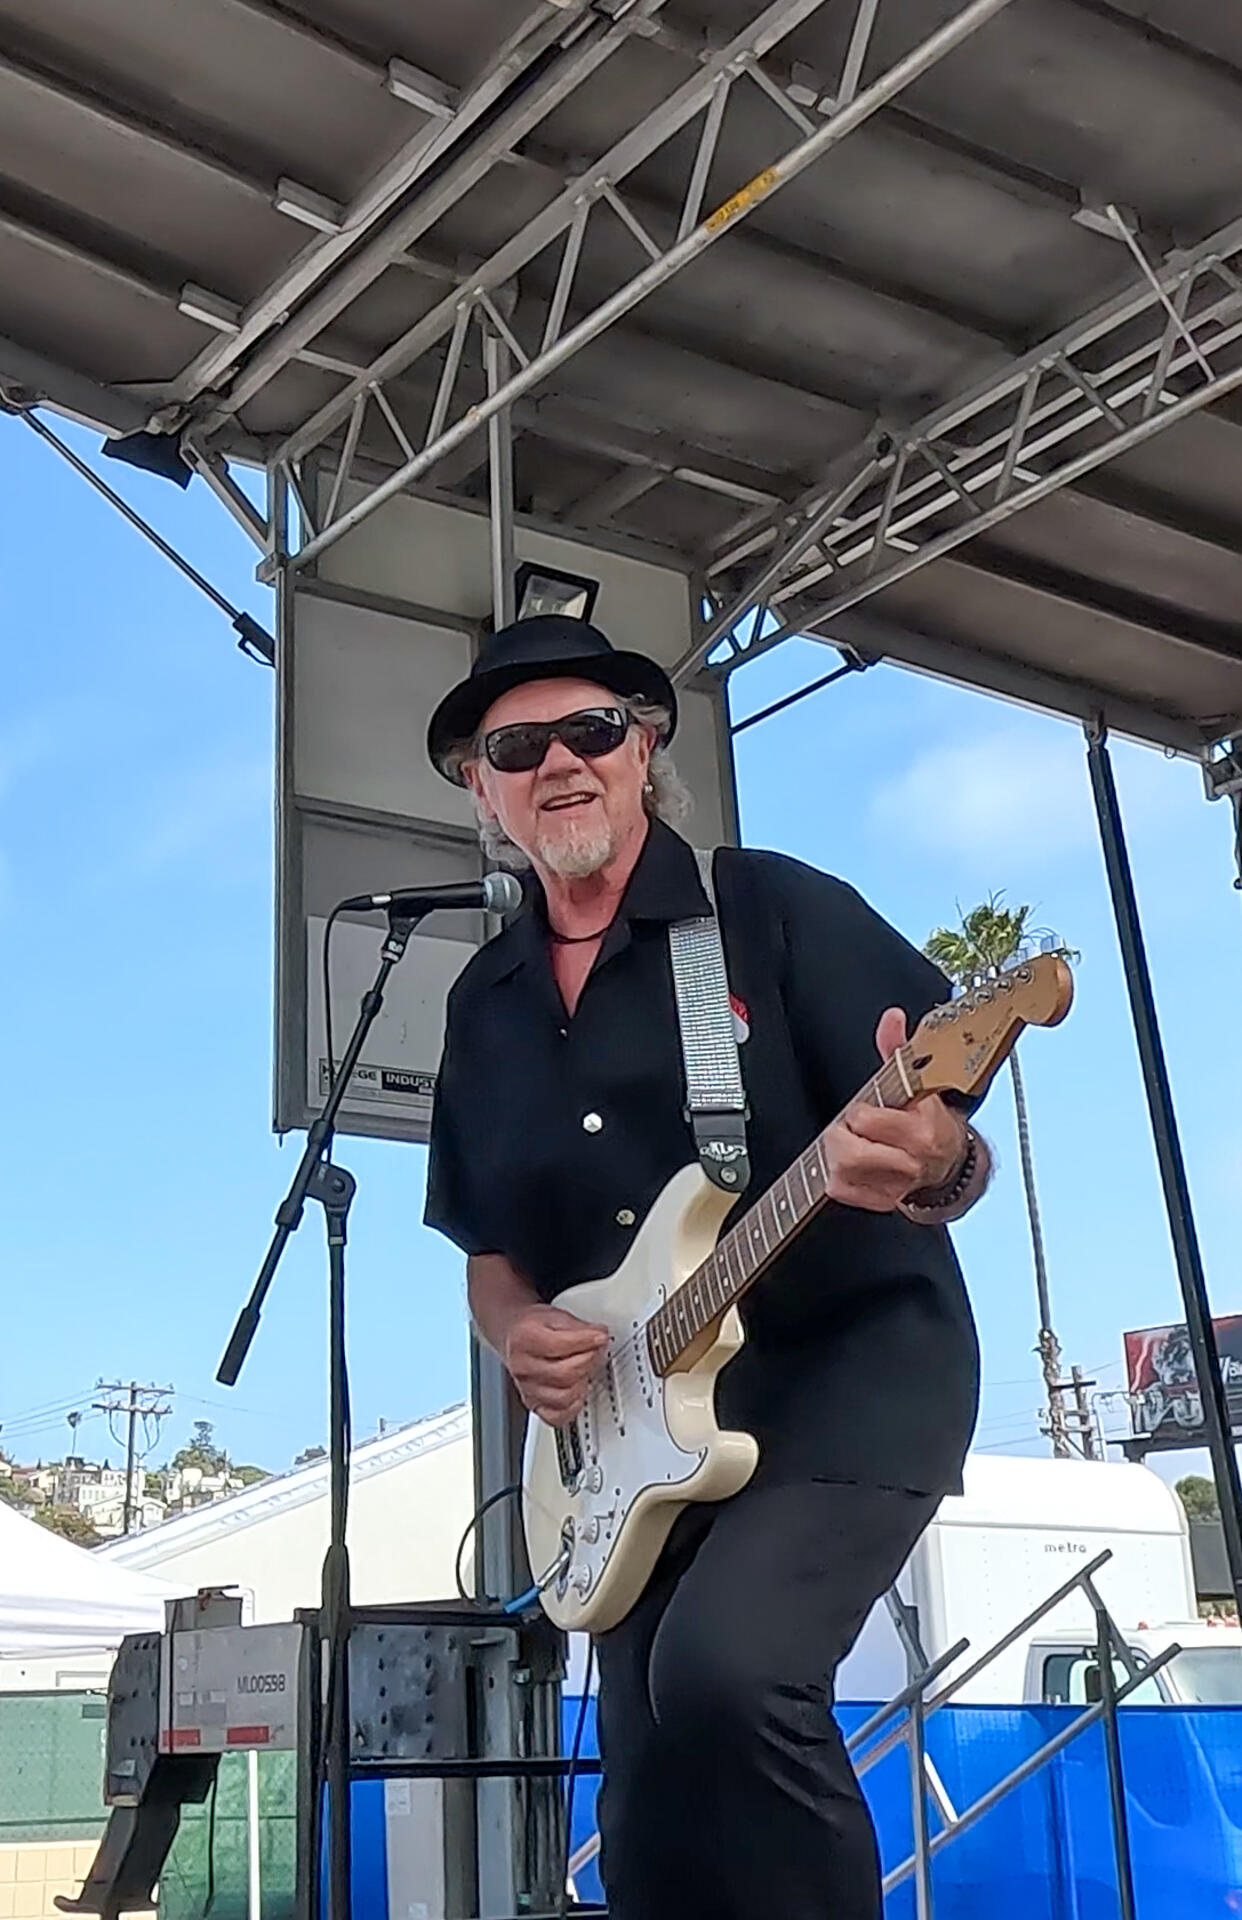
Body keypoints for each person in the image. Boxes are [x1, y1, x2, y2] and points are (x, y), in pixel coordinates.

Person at [423, 613, 992, 1920]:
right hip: (635, 1438)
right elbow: (489, 1255)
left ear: (644, 748)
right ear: (480, 782)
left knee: (731, 1677)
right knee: (649, 1785)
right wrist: (518, 1338)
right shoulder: (483, 1003)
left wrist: (928, 1162)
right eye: (518, 745)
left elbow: (947, 1152)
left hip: (849, 1377)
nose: (559, 762)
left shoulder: (769, 910)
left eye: (591, 731)